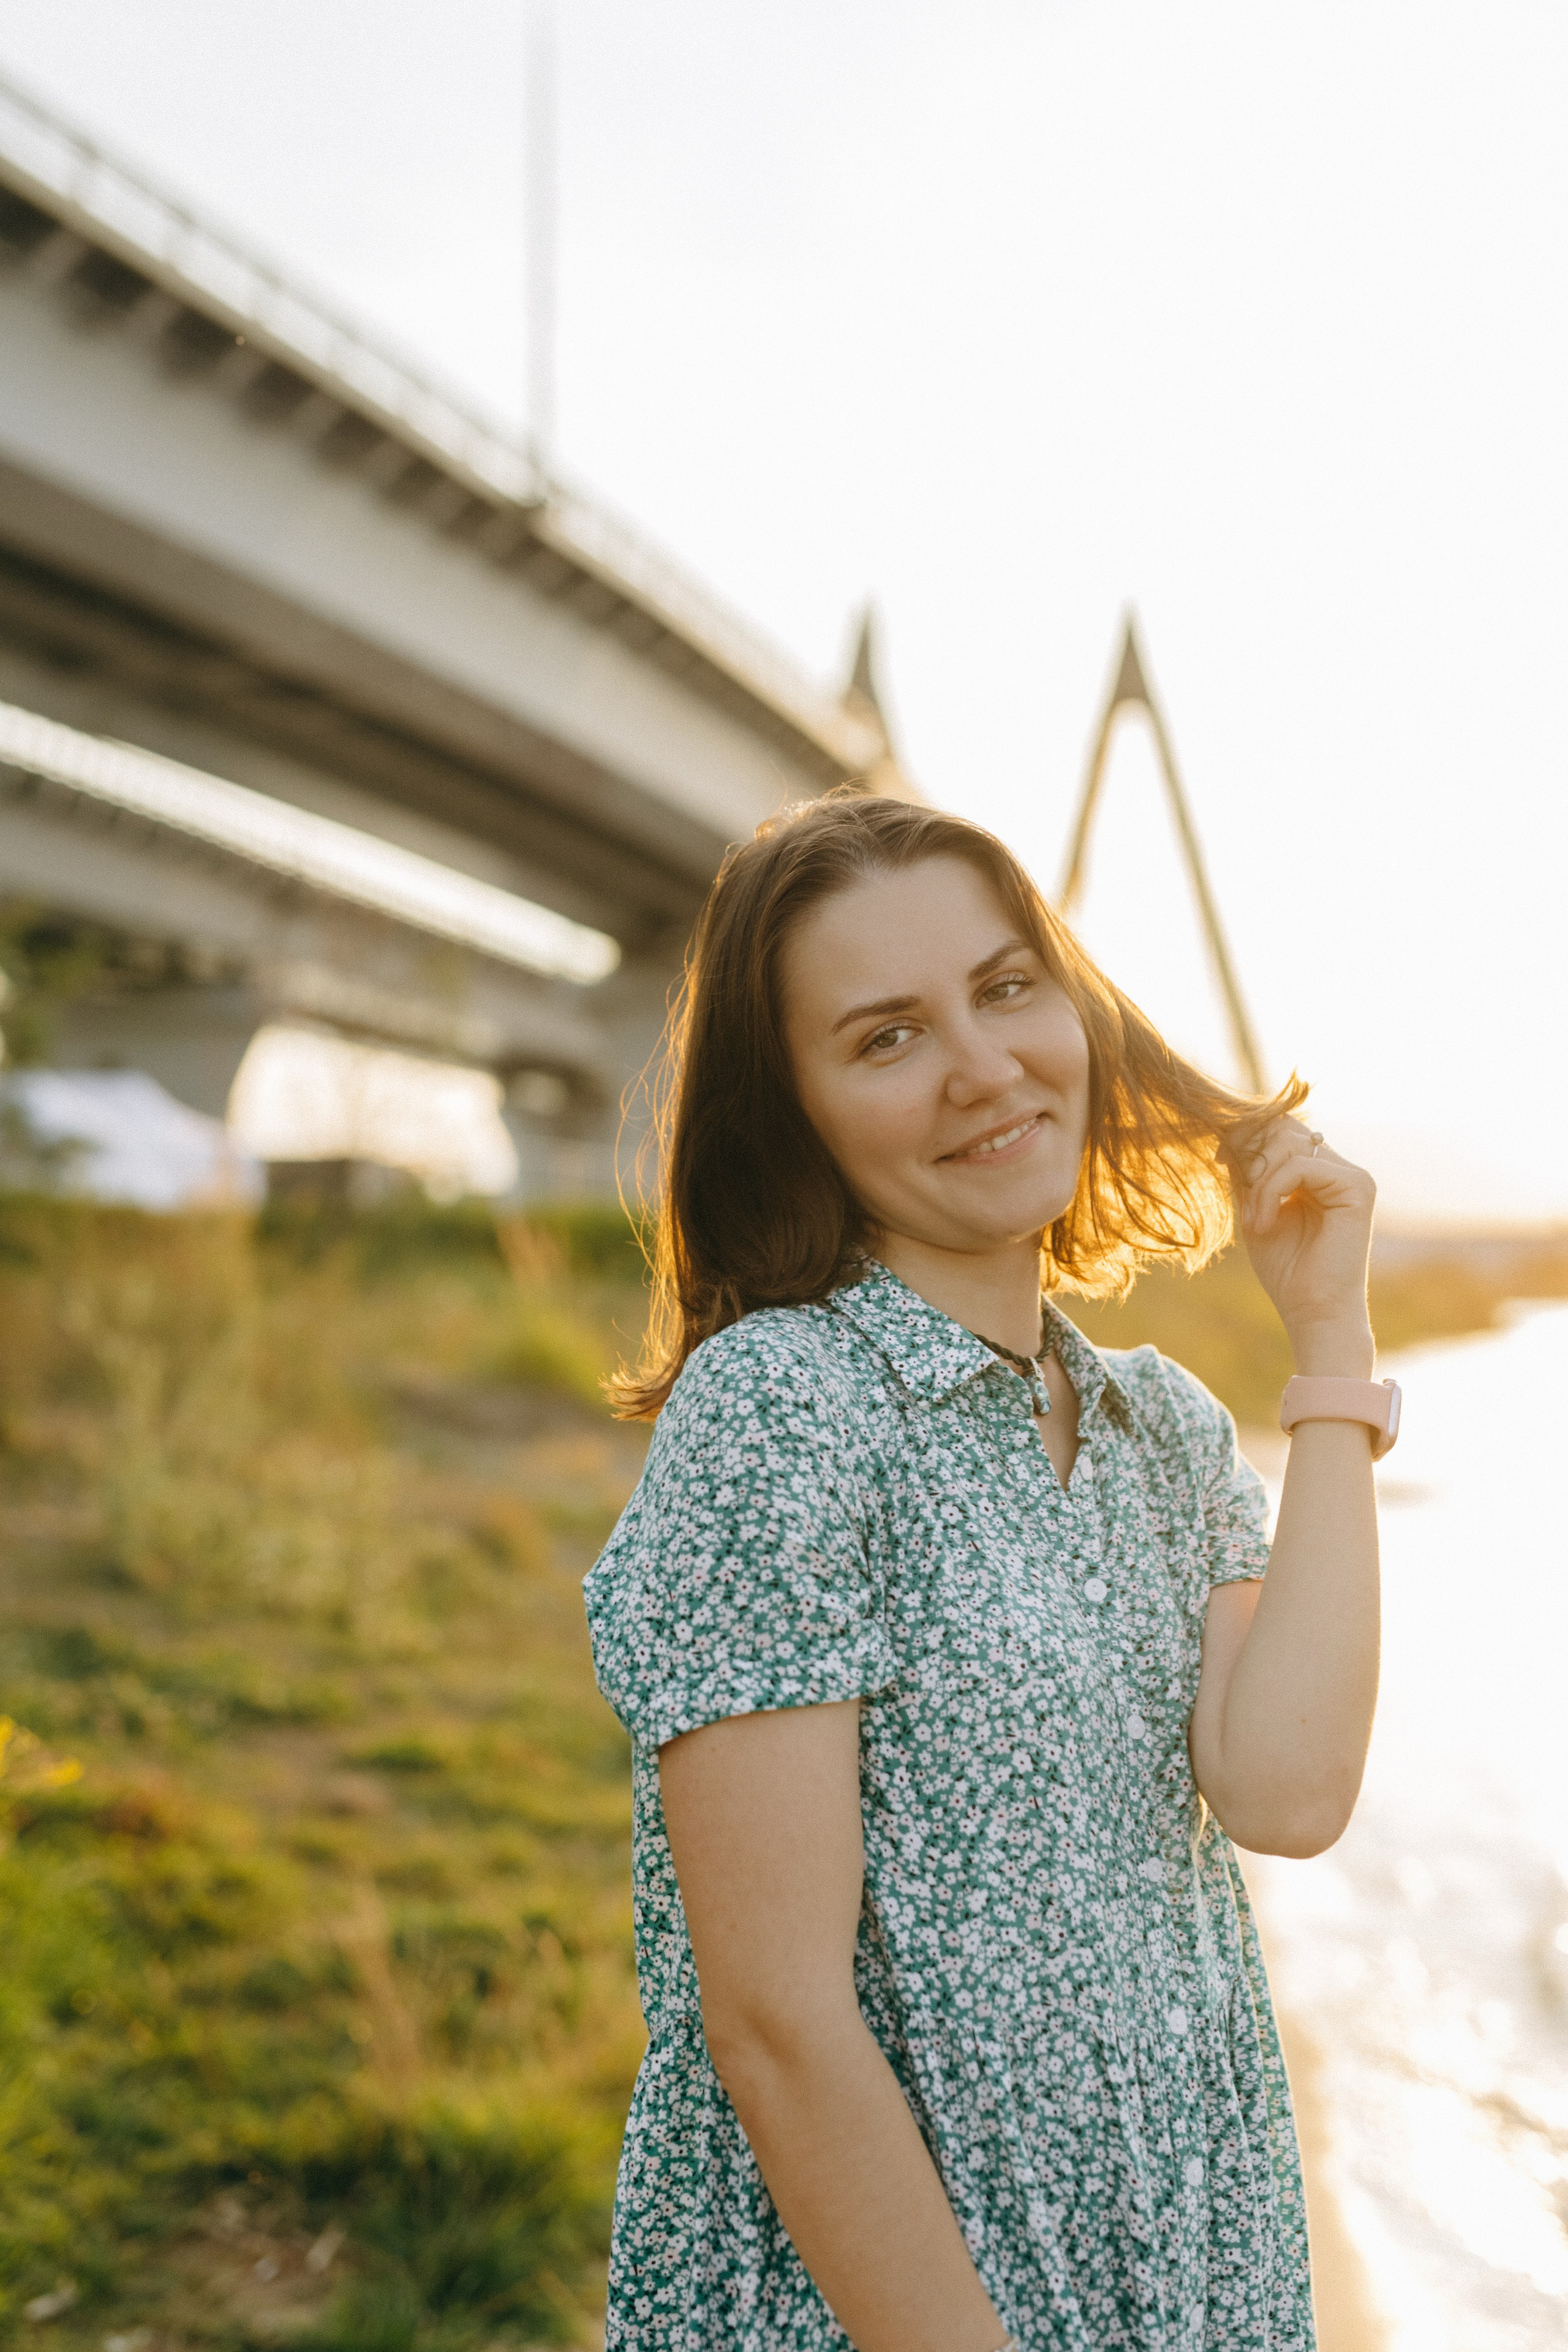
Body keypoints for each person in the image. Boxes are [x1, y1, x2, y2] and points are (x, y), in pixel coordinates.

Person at [585, 791, 1385, 2351]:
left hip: (1184, 2247)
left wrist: (1333, 1347)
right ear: (791, 1111)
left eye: (1005, 987)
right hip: (901, 2300)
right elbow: (774, 2025)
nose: (981, 1067)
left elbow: (1286, 1795)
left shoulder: (1158, 1422)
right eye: (885, 1037)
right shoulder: (786, 1409)